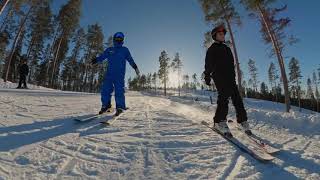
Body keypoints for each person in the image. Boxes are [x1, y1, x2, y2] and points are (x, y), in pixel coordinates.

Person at [204, 24, 251, 136]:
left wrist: (233, 76)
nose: (222, 35)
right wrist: (207, 76)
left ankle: (242, 121)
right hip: (219, 76)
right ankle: (219, 122)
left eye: (223, 34)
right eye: (220, 34)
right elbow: (208, 64)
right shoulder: (212, 49)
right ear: (215, 36)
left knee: (237, 98)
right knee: (224, 97)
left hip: (230, 77)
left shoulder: (227, 48)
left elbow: (231, 64)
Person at [91, 32, 140, 116]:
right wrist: (95, 60)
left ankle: (120, 107)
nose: (119, 39)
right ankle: (106, 106)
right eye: (117, 38)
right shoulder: (110, 50)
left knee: (119, 91)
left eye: (121, 38)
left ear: (123, 40)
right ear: (114, 39)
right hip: (109, 74)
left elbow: (130, 59)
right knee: (105, 89)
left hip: (119, 75)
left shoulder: (124, 50)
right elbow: (102, 56)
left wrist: (135, 67)